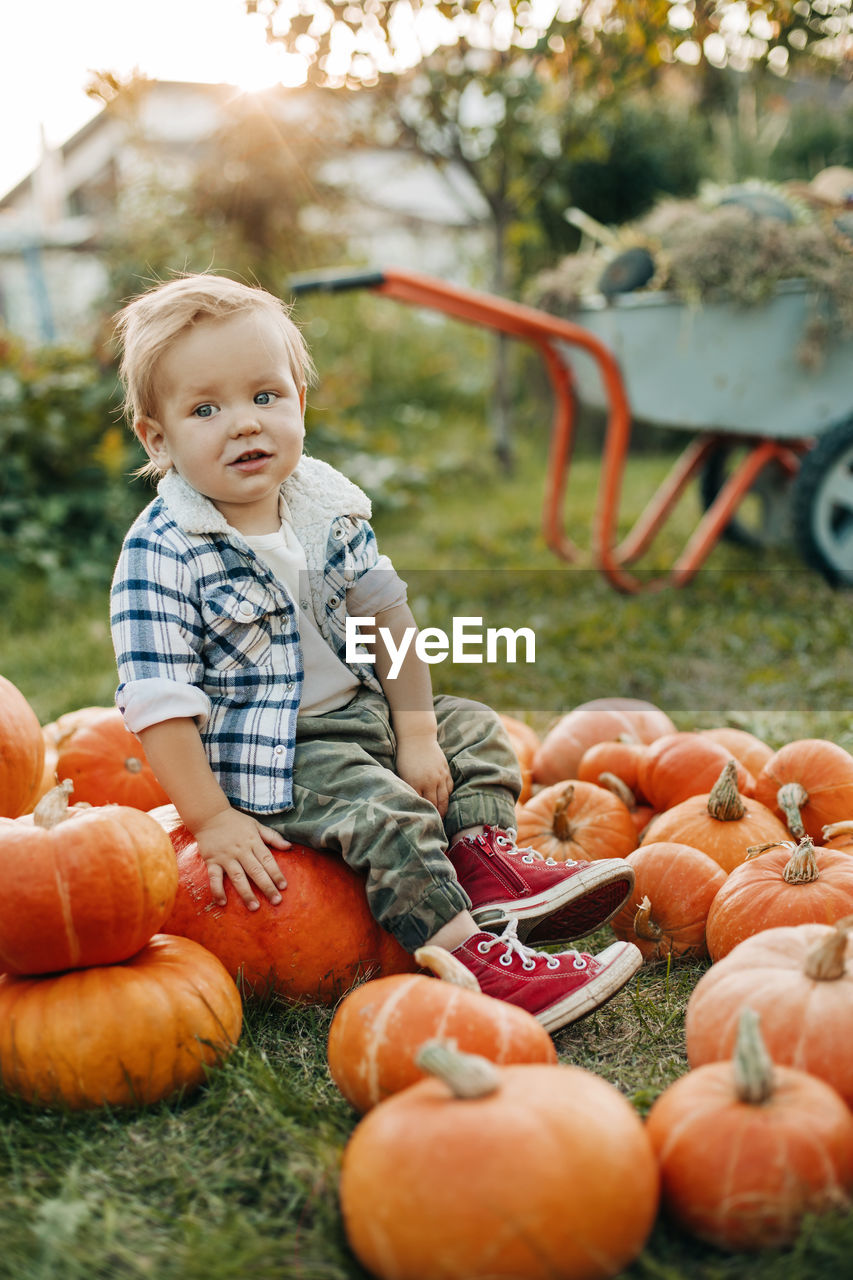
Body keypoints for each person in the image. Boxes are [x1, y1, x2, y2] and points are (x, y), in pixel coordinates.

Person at [110, 272, 642, 1035]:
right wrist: (213, 817)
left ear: (299, 398)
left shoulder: (324, 506)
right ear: (156, 438)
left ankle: (483, 865)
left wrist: (419, 735)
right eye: (205, 409)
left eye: (265, 397)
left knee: (473, 728)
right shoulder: (162, 554)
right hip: (273, 754)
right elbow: (160, 702)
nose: (243, 425)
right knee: (385, 813)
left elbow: (390, 622)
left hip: (356, 712)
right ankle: (473, 966)